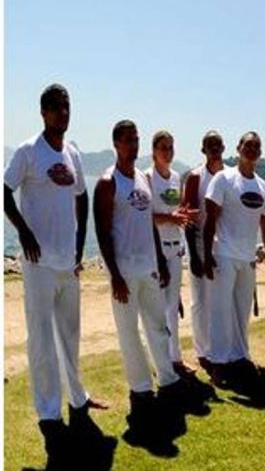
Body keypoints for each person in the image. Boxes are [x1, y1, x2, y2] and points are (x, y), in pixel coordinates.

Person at [4, 83, 108, 456]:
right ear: (44, 112)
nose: (64, 114)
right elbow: (4, 191)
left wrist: (81, 245)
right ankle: (48, 412)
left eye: (67, 107)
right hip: (38, 265)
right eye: (57, 108)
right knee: (41, 339)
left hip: (68, 262)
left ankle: (77, 398)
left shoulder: (74, 153)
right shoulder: (29, 151)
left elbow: (81, 197)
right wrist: (24, 233)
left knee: (71, 334)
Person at [95, 120, 188, 433]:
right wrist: (114, 275)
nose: (132, 146)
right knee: (129, 333)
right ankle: (140, 390)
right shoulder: (108, 182)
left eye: (136, 140)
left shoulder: (142, 179)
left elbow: (148, 221)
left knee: (158, 326)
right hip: (123, 270)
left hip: (148, 266)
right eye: (127, 141)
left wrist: (160, 260)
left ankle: (168, 380)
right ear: (116, 144)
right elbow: (103, 232)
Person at [202, 131, 265, 383]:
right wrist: (206, 255)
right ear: (238, 148)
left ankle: (240, 356)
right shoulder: (224, 178)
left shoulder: (263, 186)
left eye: (256, 146)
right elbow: (210, 218)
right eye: (248, 145)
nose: (252, 150)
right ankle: (218, 363)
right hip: (222, 254)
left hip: (247, 259)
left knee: (241, 310)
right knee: (221, 311)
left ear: (260, 152)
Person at [146, 130, 200, 377]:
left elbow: (178, 212)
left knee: (172, 309)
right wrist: (170, 217)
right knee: (156, 310)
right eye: (163, 148)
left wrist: (183, 217)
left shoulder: (176, 177)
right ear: (153, 151)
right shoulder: (146, 177)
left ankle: (175, 359)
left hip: (176, 250)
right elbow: (144, 217)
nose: (168, 152)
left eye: (171, 147)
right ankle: (160, 362)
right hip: (156, 251)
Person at [182, 131, 225, 372]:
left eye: (217, 144)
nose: (214, 148)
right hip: (200, 243)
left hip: (224, 245)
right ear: (203, 149)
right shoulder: (195, 178)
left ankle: (221, 348)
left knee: (221, 300)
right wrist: (195, 257)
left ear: (224, 147)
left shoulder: (230, 175)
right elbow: (189, 217)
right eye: (210, 145)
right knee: (201, 302)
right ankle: (202, 351)